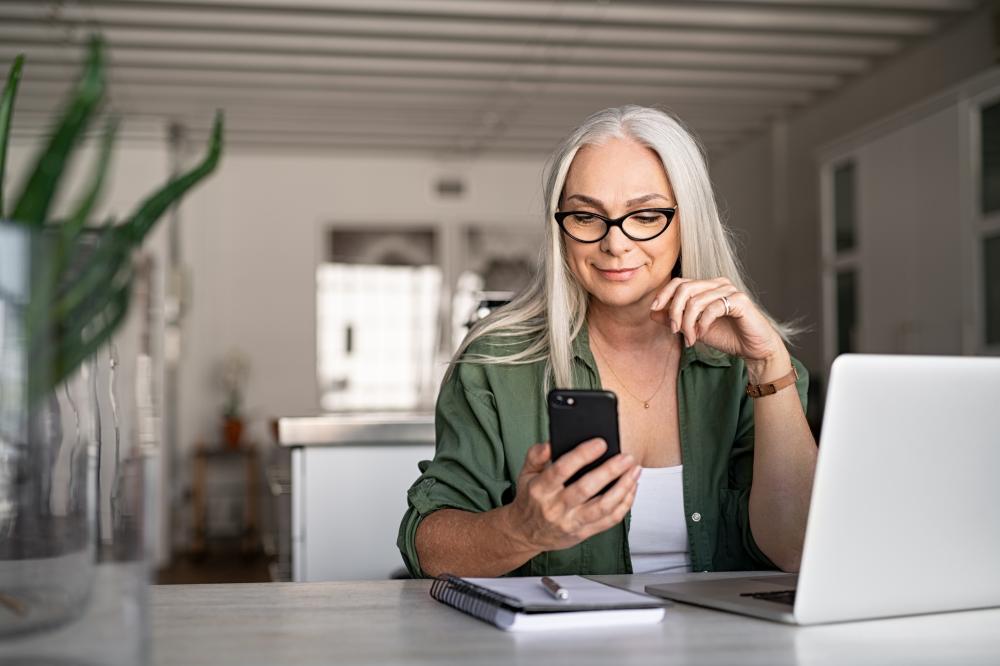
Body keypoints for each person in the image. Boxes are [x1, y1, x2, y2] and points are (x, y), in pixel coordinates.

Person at [397, 105, 817, 579]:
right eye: (586, 216)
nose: (614, 244)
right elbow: (428, 548)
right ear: (561, 229)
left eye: (645, 216)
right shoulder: (495, 362)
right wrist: (522, 529)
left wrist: (768, 367)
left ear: (687, 220)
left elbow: (797, 550)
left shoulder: (756, 368)